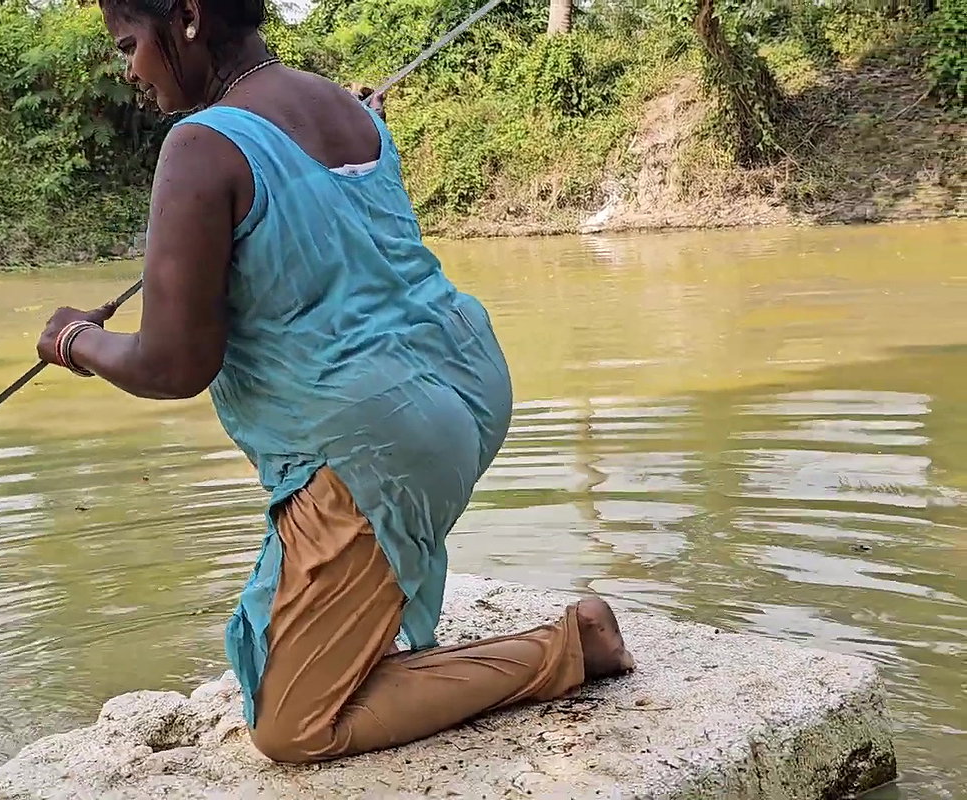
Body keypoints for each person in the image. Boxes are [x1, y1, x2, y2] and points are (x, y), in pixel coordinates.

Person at [35, 0, 636, 765]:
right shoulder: (347, 108)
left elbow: (172, 365)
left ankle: (570, 647)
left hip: (378, 433)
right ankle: (353, 623)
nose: (130, 70)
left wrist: (75, 340)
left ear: (186, 15)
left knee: (291, 725)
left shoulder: (199, 145)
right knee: (326, 621)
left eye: (129, 45)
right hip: (466, 379)